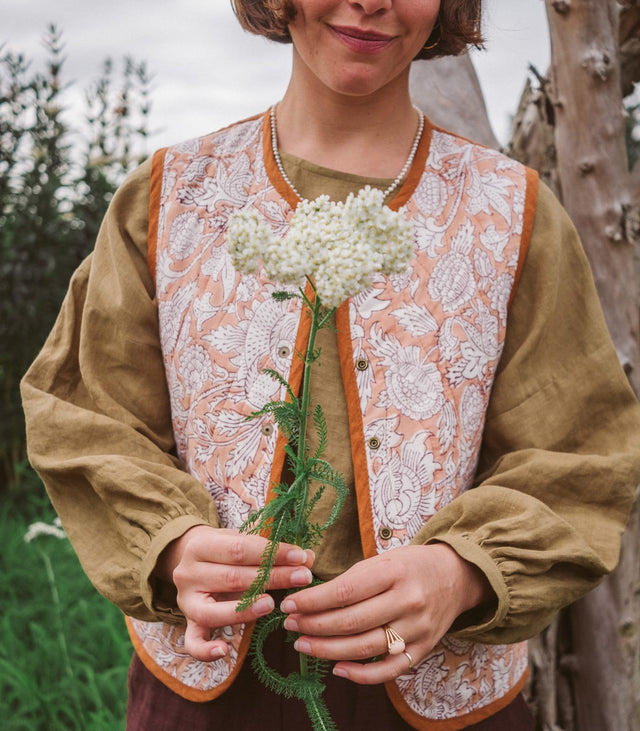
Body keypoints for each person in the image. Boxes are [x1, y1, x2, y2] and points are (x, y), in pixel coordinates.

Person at [20, 0, 640, 729]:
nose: (369, 1)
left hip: (444, 694)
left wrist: (461, 571)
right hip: (206, 695)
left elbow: (580, 452)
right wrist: (171, 544)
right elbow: (87, 415)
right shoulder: (169, 198)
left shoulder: (513, 214)